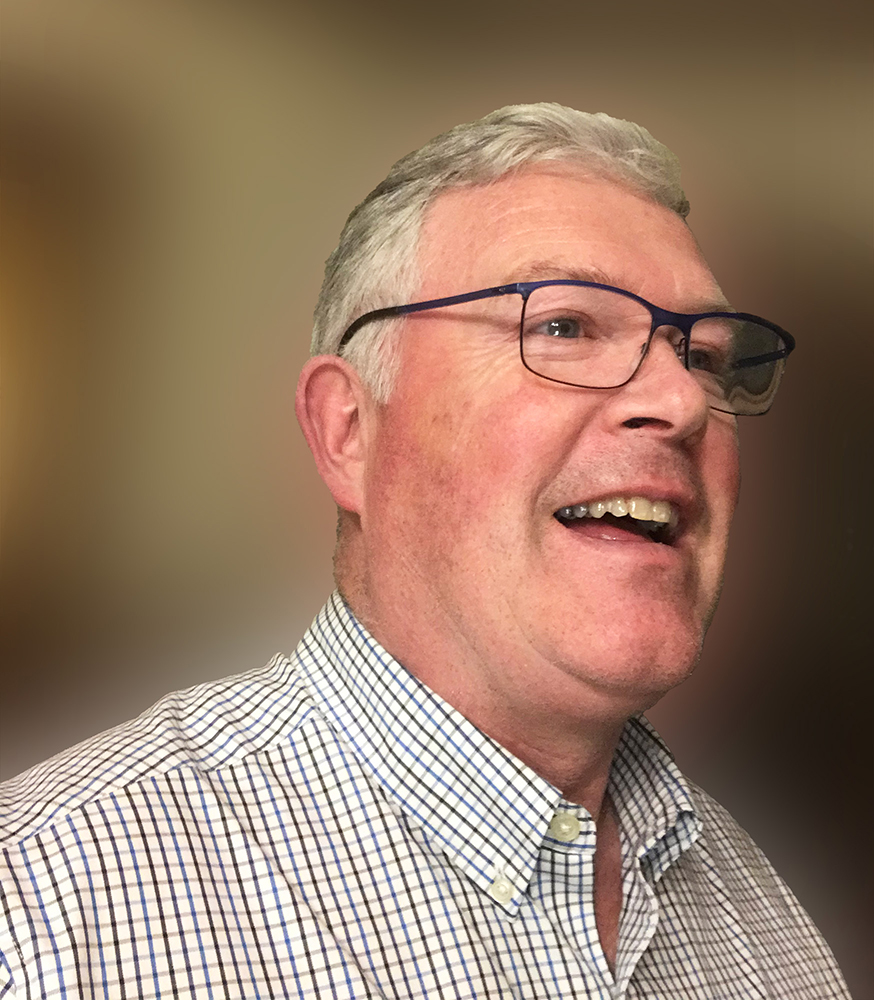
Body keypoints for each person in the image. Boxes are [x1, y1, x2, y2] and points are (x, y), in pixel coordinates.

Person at [0, 104, 848, 999]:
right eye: (564, 327)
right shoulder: (41, 910)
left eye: (706, 359)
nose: (680, 402)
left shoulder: (766, 916)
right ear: (349, 432)